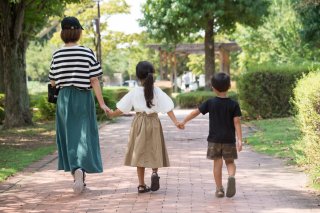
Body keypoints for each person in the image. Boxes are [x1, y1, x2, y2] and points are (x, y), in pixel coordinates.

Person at [48, 16, 110, 194]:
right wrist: (102, 104)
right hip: (83, 97)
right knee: (84, 135)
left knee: (69, 136)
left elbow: (52, 82)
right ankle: (80, 172)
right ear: (78, 32)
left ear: (63, 32)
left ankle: (76, 173)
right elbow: (94, 80)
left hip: (64, 98)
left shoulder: (57, 54)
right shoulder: (86, 52)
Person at [107, 61, 181, 193]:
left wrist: (112, 114)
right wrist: (176, 122)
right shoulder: (157, 91)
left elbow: (122, 108)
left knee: (139, 151)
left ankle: (141, 184)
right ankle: (154, 173)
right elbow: (168, 108)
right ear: (152, 75)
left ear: (137, 76)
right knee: (154, 148)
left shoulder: (134, 92)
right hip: (153, 122)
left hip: (139, 122)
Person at [178, 72, 242, 198]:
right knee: (230, 162)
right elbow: (237, 122)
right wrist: (240, 139)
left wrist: (184, 121)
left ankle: (219, 189)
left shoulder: (210, 102)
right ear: (229, 86)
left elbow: (195, 112)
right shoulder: (234, 104)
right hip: (229, 140)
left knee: (217, 164)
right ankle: (231, 177)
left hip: (214, 140)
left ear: (213, 88)